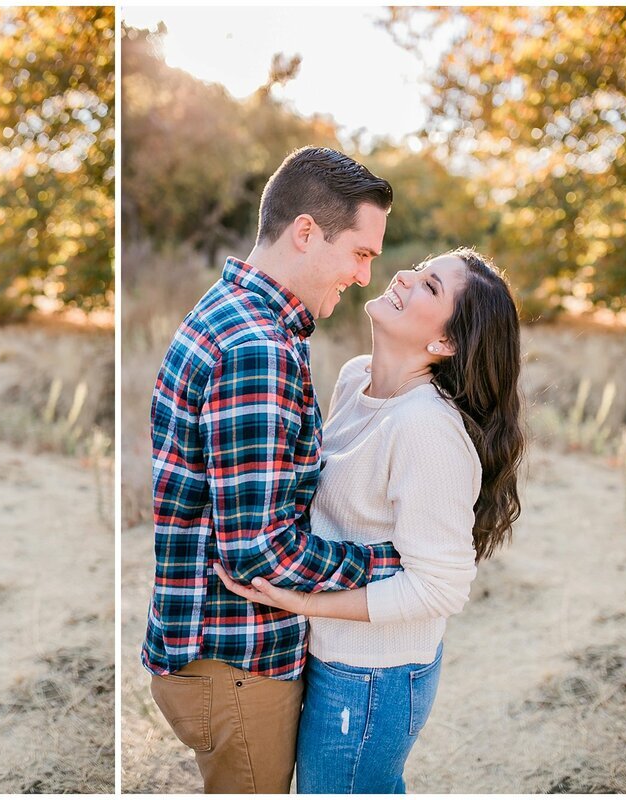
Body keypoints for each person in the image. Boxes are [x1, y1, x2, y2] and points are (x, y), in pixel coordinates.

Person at [143, 146, 406, 794]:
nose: (365, 277)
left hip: (219, 654)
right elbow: (259, 554)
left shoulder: (232, 312)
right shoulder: (259, 348)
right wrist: (395, 561)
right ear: (307, 232)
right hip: (238, 664)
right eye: (361, 253)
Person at [216, 248, 525, 793]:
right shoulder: (357, 379)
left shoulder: (426, 429)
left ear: (445, 344)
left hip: (374, 676)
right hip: (326, 651)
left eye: (430, 287)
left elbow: (440, 588)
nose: (405, 276)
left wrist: (306, 603)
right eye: (421, 269)